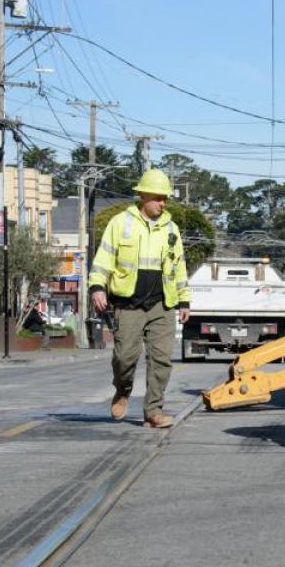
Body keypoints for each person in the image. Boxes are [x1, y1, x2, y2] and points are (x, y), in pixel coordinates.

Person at [89, 168, 191, 428]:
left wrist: (184, 300)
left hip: (162, 304)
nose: (163, 203)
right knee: (124, 357)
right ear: (143, 195)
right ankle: (122, 390)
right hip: (128, 304)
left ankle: (153, 411)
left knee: (161, 360)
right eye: (158, 197)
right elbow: (103, 260)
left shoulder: (172, 229)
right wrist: (97, 288)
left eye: (165, 198)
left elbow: (178, 268)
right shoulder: (120, 223)